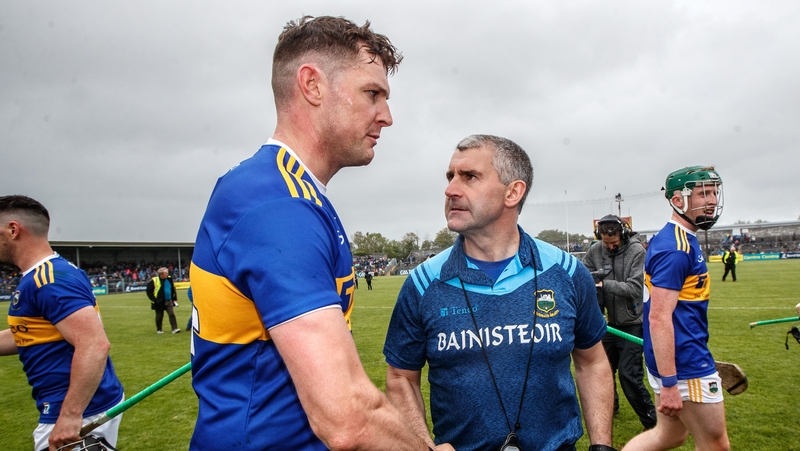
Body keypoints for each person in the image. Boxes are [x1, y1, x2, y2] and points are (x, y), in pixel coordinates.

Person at [188, 15, 453, 451]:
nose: (386, 116)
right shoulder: (279, 204)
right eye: (372, 93)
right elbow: (346, 416)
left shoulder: (286, 190)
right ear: (312, 85)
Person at [383, 134, 616, 451]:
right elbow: (400, 377)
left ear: (513, 192)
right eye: (451, 176)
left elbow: (592, 363)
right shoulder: (423, 283)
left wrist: (601, 445)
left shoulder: (567, 272)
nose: (451, 189)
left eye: (469, 177)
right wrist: (423, 445)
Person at [0, 195, 124, 451]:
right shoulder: (42, 275)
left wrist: (69, 415)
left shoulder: (50, 279)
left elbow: (94, 345)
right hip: (69, 404)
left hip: (76, 409)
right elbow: (28, 333)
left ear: (13, 230)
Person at [622, 166, 730, 451]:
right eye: (703, 193)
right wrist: (670, 383)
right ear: (678, 200)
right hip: (684, 364)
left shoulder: (677, 239)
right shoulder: (677, 248)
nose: (711, 200)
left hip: (676, 357)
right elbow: (658, 318)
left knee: (669, 436)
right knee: (715, 444)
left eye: (714, 192)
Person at [583, 215, 657, 431]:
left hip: (633, 323)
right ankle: (611, 408)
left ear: (623, 235)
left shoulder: (637, 252)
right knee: (601, 372)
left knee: (629, 375)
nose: (610, 246)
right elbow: (585, 274)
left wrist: (603, 283)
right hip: (606, 324)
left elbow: (635, 289)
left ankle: (651, 422)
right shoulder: (595, 250)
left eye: (613, 242)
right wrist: (591, 279)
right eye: (606, 242)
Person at [146, 267, 180, 334]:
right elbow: (148, 291)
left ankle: (174, 328)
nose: (167, 274)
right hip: (159, 301)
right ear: (161, 274)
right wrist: (154, 300)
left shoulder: (169, 279)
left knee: (171, 314)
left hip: (169, 300)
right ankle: (159, 329)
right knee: (159, 316)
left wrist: (174, 298)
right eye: (166, 272)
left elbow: (173, 289)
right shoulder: (154, 280)